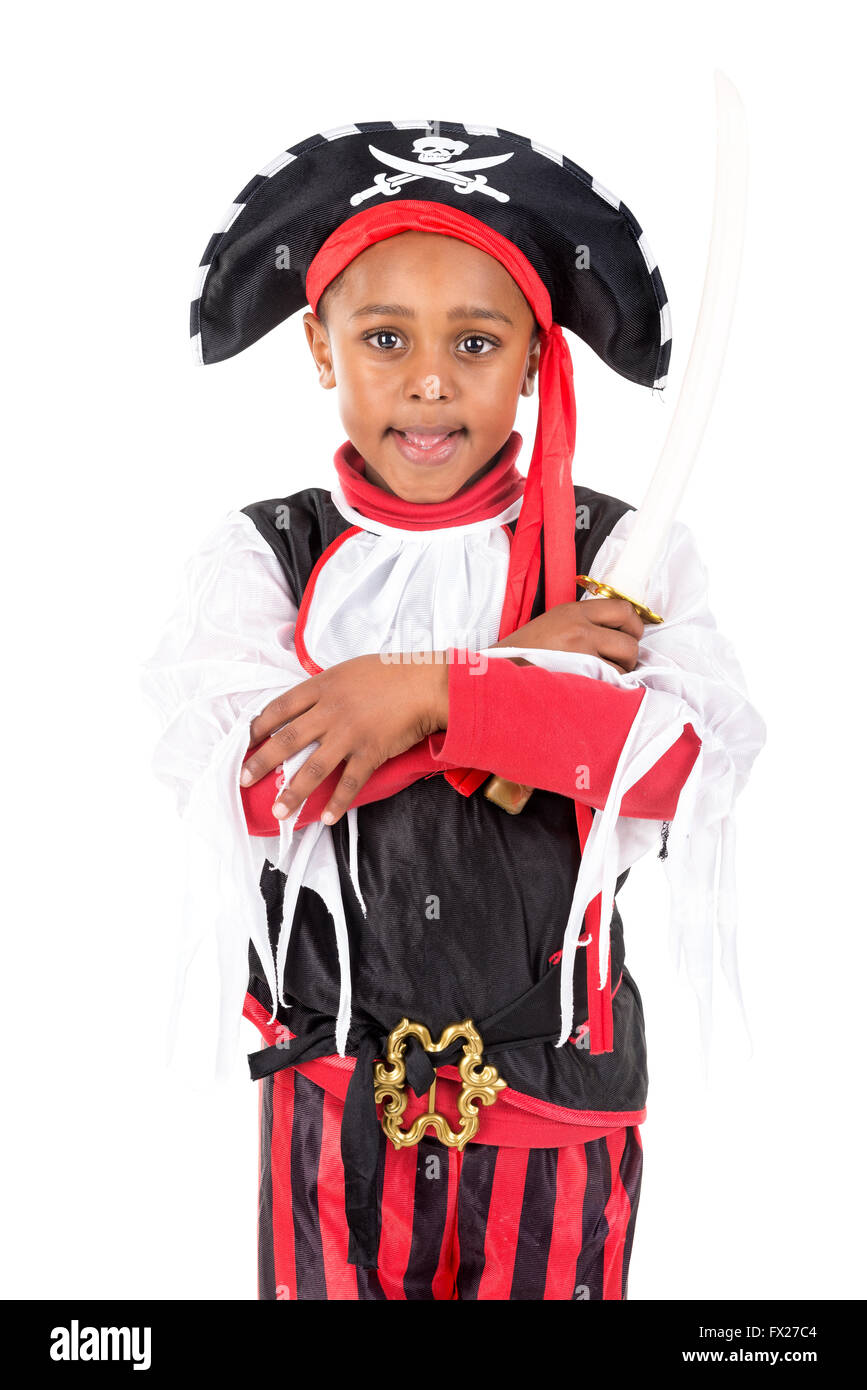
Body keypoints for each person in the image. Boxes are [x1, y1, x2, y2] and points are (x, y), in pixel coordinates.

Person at [140, 120, 765, 1300]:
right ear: (320, 349)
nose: (430, 379)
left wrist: (414, 694)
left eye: (475, 342)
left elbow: (676, 759)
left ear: (534, 355)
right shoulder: (267, 556)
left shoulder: (617, 555)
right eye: (386, 338)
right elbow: (264, 781)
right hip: (332, 1105)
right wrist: (516, 675)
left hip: (556, 1106)